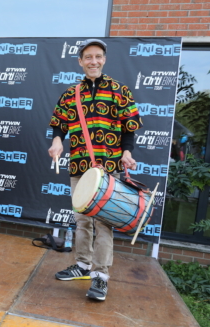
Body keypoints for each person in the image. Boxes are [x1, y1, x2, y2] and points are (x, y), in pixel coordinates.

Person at [48, 39, 142, 301]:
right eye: (88, 57)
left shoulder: (119, 91)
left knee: (103, 224)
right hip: (79, 166)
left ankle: (100, 277)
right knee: (82, 220)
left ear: (104, 59)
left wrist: (126, 152)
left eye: (98, 56)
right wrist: (57, 142)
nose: (93, 61)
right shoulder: (70, 93)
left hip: (108, 168)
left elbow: (129, 127)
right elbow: (59, 125)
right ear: (80, 61)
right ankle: (82, 265)